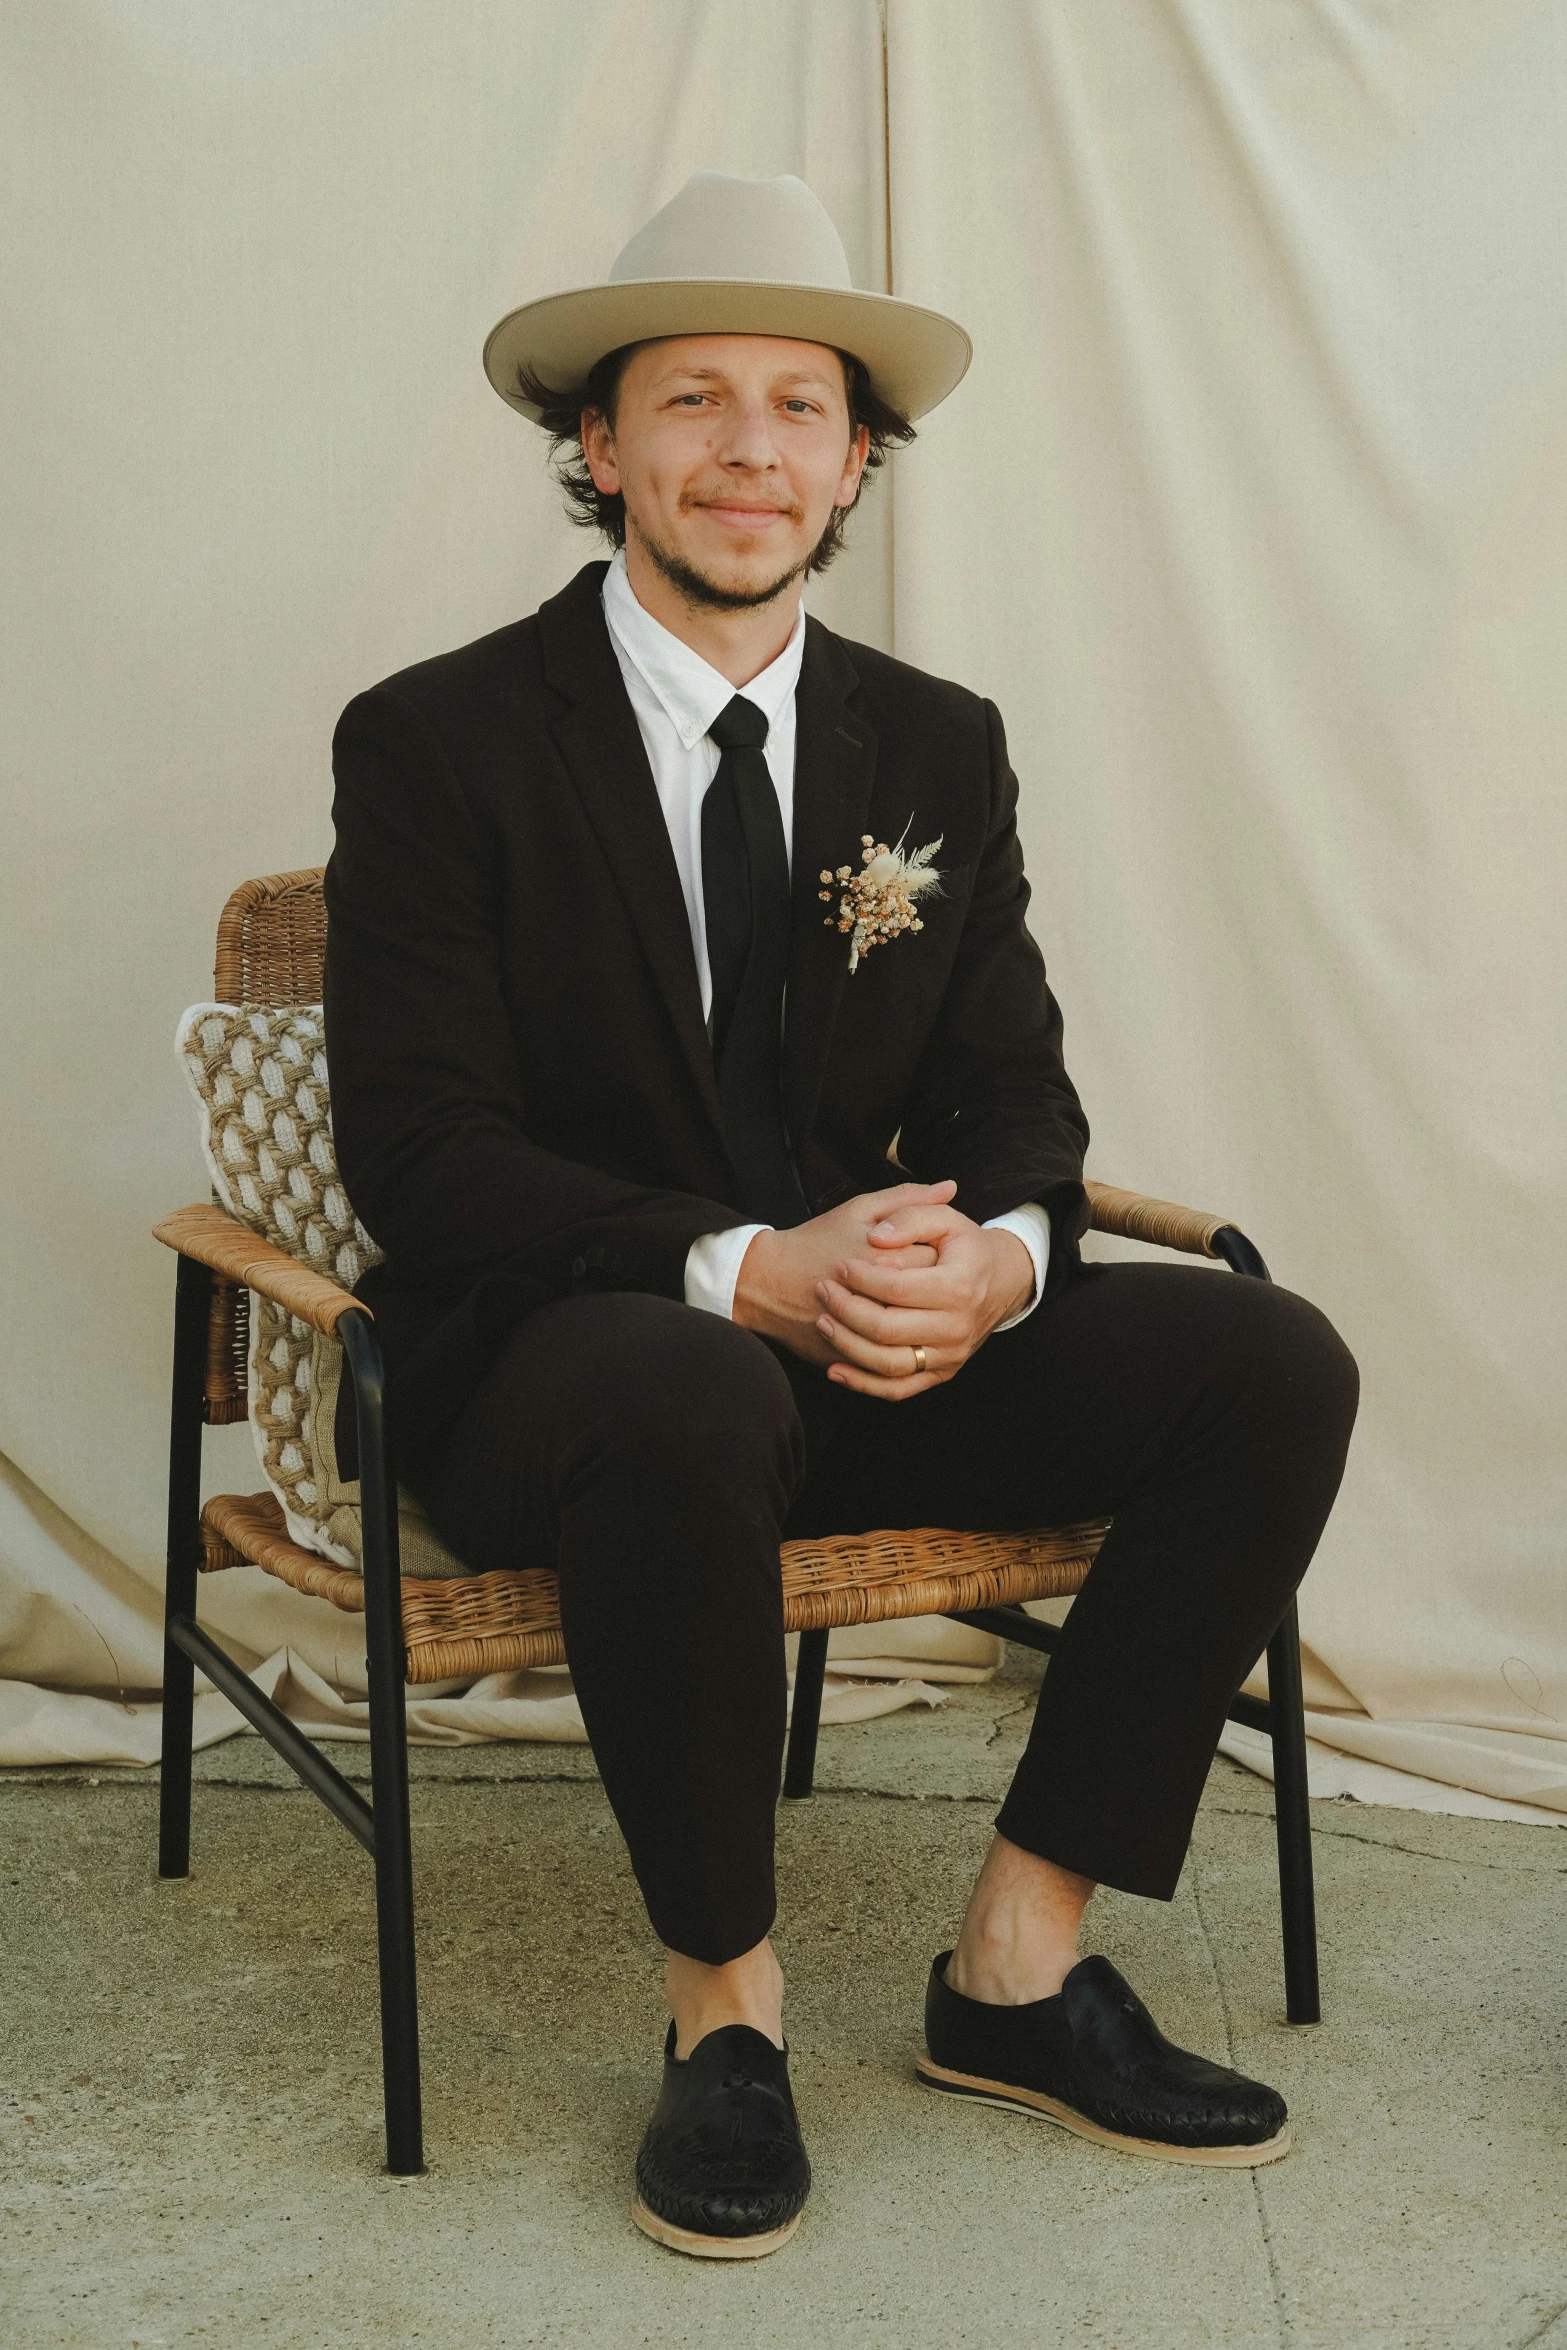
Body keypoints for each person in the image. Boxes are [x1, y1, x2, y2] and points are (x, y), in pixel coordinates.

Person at [324, 172, 1359, 2259]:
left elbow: (1019, 1103)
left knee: (1268, 1354)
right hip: (567, 1368)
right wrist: (740, 1268)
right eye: (691, 399)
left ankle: (1016, 1967)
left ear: (855, 461)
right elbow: (425, 1158)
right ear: (600, 448)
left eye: (801, 407)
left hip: (866, 1368)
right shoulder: (436, 741)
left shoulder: (936, 746)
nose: (749, 448)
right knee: (690, 1388)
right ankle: (728, 2014)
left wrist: (996, 1264)